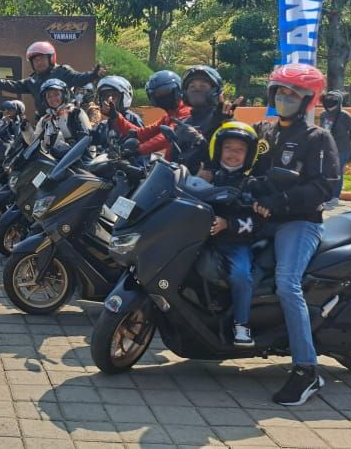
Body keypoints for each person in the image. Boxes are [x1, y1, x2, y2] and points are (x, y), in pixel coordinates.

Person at [250, 63, 338, 406]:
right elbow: (234, 151)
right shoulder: (265, 132)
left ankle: (306, 369)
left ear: (306, 100)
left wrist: (279, 202)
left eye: (293, 94)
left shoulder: (317, 138)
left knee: (287, 283)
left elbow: (324, 187)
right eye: (280, 92)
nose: (284, 98)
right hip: (261, 220)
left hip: (299, 223)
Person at [204, 122, 261, 348]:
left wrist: (228, 224)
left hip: (235, 244)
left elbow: (258, 223)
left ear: (249, 155)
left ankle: (242, 323)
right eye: (228, 147)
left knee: (241, 276)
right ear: (218, 149)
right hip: (201, 241)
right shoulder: (209, 177)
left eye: (240, 150)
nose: (233, 154)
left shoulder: (251, 185)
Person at [0, 41, 105, 107]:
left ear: (51, 58)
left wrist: (93, 75)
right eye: (35, 60)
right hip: (44, 122)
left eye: (42, 58)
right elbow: (12, 85)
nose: (39, 62)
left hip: (66, 118)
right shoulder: (32, 81)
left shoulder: (62, 71)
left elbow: (79, 78)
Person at [111, 70, 191, 159]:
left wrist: (139, 150)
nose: (161, 96)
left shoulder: (187, 112)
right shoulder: (169, 117)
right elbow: (143, 133)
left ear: (178, 90)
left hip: (189, 165)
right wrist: (116, 116)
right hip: (175, 163)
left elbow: (165, 138)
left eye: (165, 91)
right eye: (157, 94)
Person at [33, 78, 92, 158]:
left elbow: (89, 139)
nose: (53, 98)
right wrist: (26, 130)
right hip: (52, 162)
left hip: (77, 161)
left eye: (56, 94)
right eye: (49, 96)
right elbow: (34, 142)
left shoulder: (76, 113)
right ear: (45, 100)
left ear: (64, 95)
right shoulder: (44, 120)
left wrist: (90, 160)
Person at [318, 90, 351, 206]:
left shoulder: (345, 116)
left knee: (337, 172)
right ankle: (327, 195)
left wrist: (349, 143)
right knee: (326, 172)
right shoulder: (323, 115)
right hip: (328, 149)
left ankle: (335, 196)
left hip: (342, 148)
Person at [93, 76, 143, 151]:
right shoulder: (103, 125)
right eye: (105, 96)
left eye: (114, 96)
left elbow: (143, 141)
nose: (109, 100)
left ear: (124, 97)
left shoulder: (132, 118)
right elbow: (90, 139)